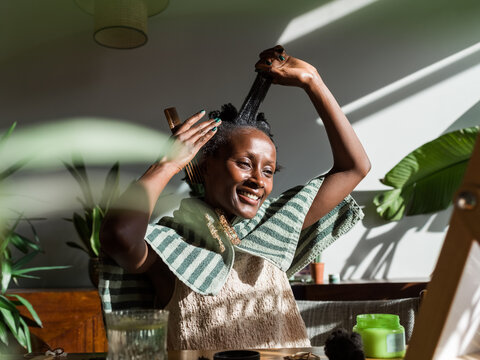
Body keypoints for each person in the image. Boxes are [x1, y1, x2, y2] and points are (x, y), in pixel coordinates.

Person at [99, 46, 371, 350]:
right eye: (244, 163)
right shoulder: (172, 246)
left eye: (269, 171)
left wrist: (312, 80)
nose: (258, 179)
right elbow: (118, 236)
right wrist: (167, 164)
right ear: (203, 169)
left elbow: (354, 167)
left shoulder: (277, 225)